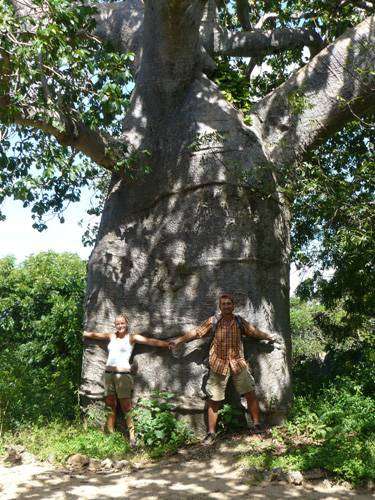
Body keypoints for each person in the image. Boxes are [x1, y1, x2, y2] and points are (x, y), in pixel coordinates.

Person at [169, 293, 278, 446]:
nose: (226, 306)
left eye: (229, 303)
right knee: (214, 400)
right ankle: (211, 433)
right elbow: (196, 333)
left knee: (250, 393)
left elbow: (254, 332)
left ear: (233, 306)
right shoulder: (213, 322)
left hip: (238, 363)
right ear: (220, 307)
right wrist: (179, 340)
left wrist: (268, 336)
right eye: (224, 304)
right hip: (218, 365)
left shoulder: (240, 322)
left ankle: (257, 425)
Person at [83, 314, 169, 447]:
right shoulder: (112, 336)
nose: (120, 325)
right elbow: (96, 335)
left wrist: (167, 344)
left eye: (122, 323)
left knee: (126, 406)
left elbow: (149, 341)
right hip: (108, 375)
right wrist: (83, 333)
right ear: (115, 325)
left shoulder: (131, 338)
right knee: (110, 405)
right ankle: (110, 436)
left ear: (126, 324)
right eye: (117, 323)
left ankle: (132, 437)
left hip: (123, 376)